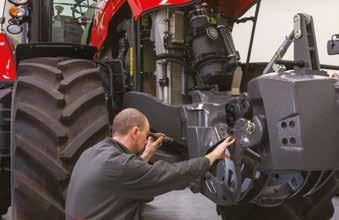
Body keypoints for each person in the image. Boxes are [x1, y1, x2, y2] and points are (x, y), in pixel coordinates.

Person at [65, 108, 235, 220]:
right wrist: (211, 156)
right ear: (135, 132)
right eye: (146, 134)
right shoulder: (120, 166)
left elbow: (128, 177)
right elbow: (174, 174)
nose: (147, 139)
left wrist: (147, 153)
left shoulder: (95, 151)